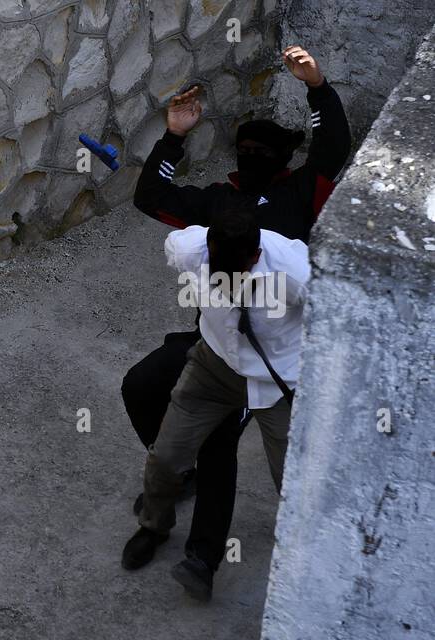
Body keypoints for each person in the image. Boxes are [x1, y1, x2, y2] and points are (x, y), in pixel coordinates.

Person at [121, 45, 351, 599]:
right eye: (242, 149)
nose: (250, 156)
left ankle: (296, 556)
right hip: (217, 353)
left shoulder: (296, 216)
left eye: (261, 151)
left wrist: (317, 87)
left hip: (276, 373)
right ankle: (168, 514)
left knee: (287, 476)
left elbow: (333, 149)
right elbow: (151, 196)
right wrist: (174, 136)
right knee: (153, 410)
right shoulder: (209, 213)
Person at [123, 205, 310, 585]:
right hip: (213, 367)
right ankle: (154, 527)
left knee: (292, 480)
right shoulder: (194, 249)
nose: (222, 280)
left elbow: (335, 316)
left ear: (255, 258)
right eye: (216, 271)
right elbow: (172, 245)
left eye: (233, 273)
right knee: (166, 456)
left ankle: (305, 557)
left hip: (276, 384)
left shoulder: (296, 274)